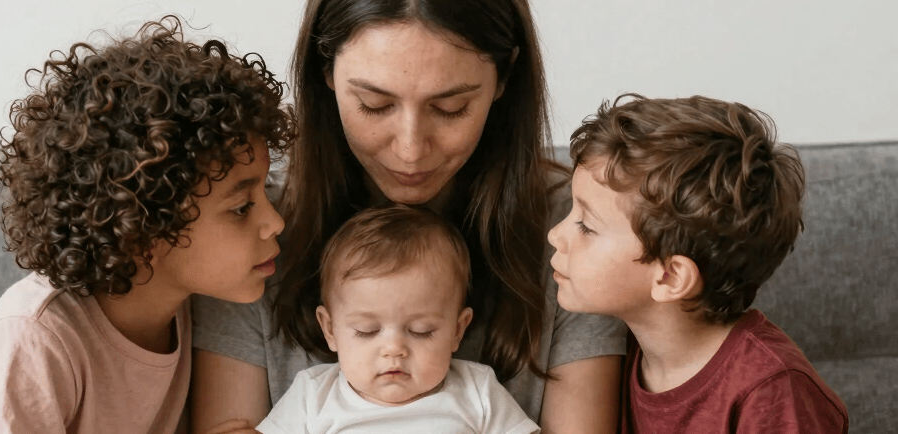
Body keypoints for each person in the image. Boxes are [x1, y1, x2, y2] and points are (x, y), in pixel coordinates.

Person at [191, 0, 627, 433]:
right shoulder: (249, 231)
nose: (410, 150)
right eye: (374, 104)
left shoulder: (580, 231)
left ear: (504, 77)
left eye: (451, 107)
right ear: (325, 73)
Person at [0, 16, 293, 434]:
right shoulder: (31, 344)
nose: (275, 221)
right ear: (141, 228)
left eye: (264, 193)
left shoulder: (186, 310)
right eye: (240, 207)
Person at [546, 94, 849, 433]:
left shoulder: (772, 391)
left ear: (671, 277)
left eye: (586, 225)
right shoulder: (621, 357)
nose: (555, 235)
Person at [256, 204, 540, 434]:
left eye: (421, 330)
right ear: (330, 329)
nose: (394, 348)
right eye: (367, 330)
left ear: (457, 330)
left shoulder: (476, 390)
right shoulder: (313, 394)